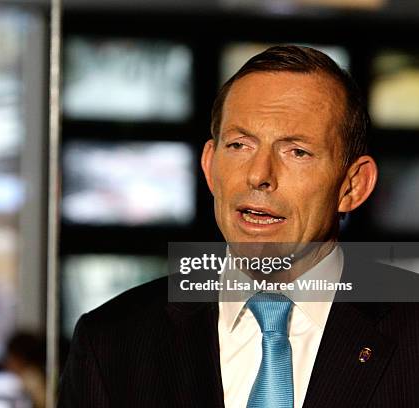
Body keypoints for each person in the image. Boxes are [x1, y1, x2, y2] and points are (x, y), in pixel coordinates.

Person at [58, 45, 419, 407]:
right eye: (239, 145)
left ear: (353, 185)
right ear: (210, 167)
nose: (259, 175)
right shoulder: (113, 342)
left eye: (296, 152)